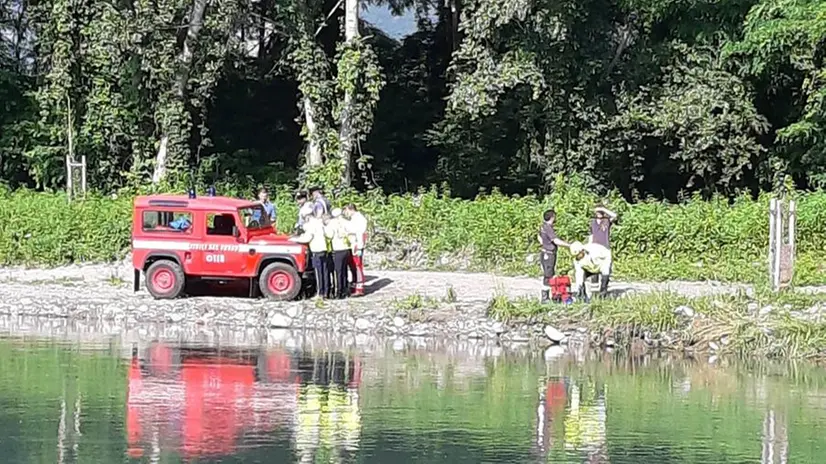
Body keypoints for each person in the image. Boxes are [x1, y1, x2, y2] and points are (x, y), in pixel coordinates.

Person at [289, 209, 330, 299]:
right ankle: (326, 292)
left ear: (307, 217)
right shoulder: (320, 223)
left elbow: (307, 238)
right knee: (324, 272)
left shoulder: (311, 225)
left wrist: (294, 239)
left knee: (318, 273)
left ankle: (320, 294)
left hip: (316, 250)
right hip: (324, 249)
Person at [538, 209, 570, 303]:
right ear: (552, 217)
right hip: (549, 254)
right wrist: (569, 245)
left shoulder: (542, 226)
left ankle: (551, 295)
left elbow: (539, 236)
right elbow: (556, 241)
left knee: (549, 274)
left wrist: (543, 243)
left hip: (544, 253)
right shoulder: (548, 227)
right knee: (548, 275)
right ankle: (545, 298)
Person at [326, 208, 352, 299]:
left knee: (338, 272)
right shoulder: (346, 221)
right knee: (344, 270)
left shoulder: (332, 223)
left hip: (337, 249)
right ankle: (345, 289)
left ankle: (339, 292)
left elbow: (329, 235)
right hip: (346, 248)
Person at [343, 203, 367, 296]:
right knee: (353, 266)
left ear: (350, 209)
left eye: (347, 211)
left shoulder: (359, 219)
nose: (346, 213)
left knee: (357, 266)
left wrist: (360, 247)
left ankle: (359, 288)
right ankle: (355, 285)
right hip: (353, 243)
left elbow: (359, 234)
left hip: (357, 244)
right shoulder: (354, 218)